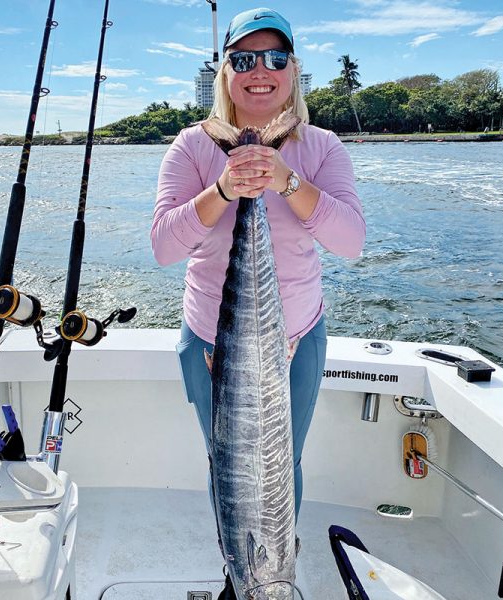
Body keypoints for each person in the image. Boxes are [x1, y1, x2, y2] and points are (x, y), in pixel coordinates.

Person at [151, 7, 365, 597]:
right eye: (243, 60)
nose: (260, 72)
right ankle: (244, 575)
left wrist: (283, 181)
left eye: (275, 58)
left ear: (294, 70)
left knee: (281, 461)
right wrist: (224, 188)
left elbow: (351, 240)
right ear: (226, 73)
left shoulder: (320, 147)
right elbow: (164, 247)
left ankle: (265, 572)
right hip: (209, 339)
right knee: (231, 462)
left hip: (298, 336)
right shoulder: (193, 147)